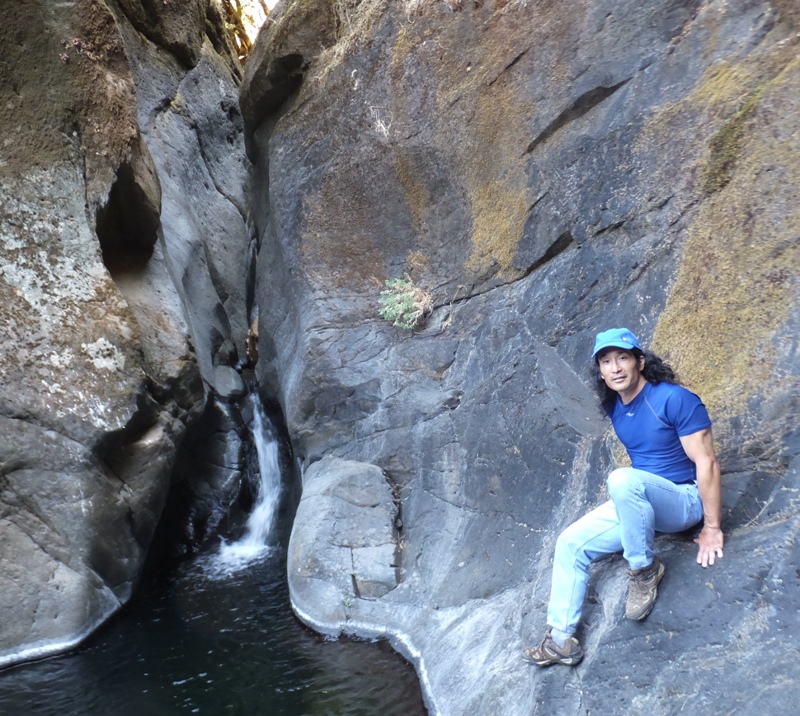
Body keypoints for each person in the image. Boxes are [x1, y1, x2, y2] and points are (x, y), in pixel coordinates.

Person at [522, 327, 723, 667]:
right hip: (643, 502)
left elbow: (708, 463)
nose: (615, 368)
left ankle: (644, 570)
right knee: (570, 542)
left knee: (621, 479)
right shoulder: (615, 406)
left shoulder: (674, 399)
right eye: (606, 361)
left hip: (684, 501)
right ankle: (560, 641)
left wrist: (712, 527)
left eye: (623, 358)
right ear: (599, 370)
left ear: (639, 362)